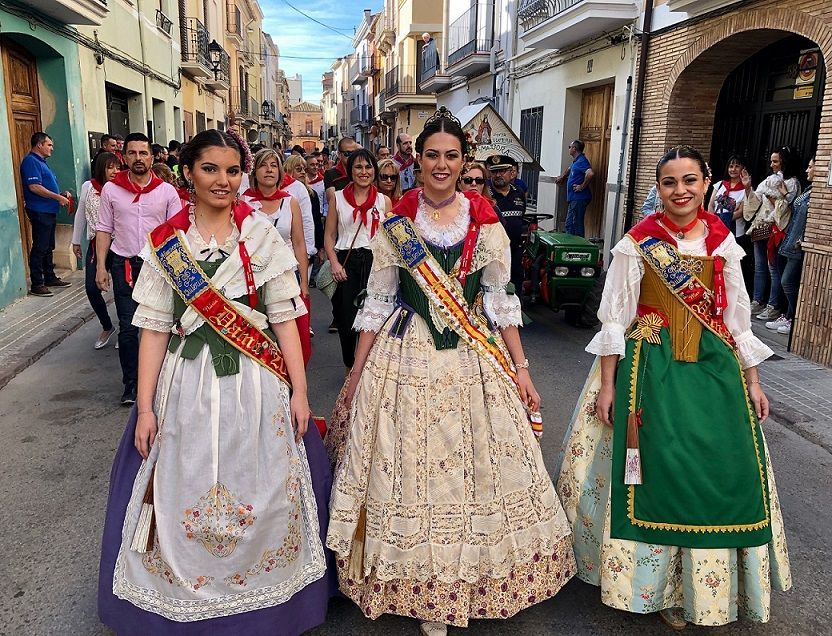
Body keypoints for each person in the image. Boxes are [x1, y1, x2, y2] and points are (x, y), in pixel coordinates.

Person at [325, 108, 576, 636]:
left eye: (452, 156)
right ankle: (421, 585)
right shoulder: (397, 223)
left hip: (471, 354)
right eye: (432, 155)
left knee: (477, 467)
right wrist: (356, 374)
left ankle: (475, 577)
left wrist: (522, 369)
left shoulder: (486, 222)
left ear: (465, 161)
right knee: (407, 466)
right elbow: (379, 299)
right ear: (417, 160)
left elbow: (500, 299)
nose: (442, 165)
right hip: (406, 353)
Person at [97, 129, 333, 635]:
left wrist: (300, 391)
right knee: (184, 486)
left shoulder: (261, 237)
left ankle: (265, 602)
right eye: (210, 169)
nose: (223, 180)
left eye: (232, 170)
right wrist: (145, 408)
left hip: (255, 385)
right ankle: (184, 598)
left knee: (264, 487)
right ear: (188, 173)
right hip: (187, 385)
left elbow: (284, 317)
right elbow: (154, 329)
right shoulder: (167, 244)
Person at [557, 145, 791, 630]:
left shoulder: (723, 242)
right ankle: (655, 586)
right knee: (653, 473)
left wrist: (753, 380)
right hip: (650, 364)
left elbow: (737, 320)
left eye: (689, 180)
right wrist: (607, 386)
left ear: (705, 183)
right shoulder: (637, 242)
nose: (680, 190)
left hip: (714, 370)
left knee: (719, 470)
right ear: (658, 188)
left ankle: (703, 590)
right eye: (669, 182)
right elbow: (616, 317)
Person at [95, 132, 181, 405]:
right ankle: (131, 385)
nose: (138, 158)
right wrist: (100, 267)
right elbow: (103, 229)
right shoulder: (111, 190)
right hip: (124, 265)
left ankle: (161, 382)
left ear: (152, 157)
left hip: (157, 267)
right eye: (132, 153)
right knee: (128, 328)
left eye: (143, 153)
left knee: (161, 326)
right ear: (124, 157)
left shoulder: (166, 192)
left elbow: (176, 233)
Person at [241, 149, 312, 366]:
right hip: (255, 277)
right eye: (263, 165)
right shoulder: (244, 202)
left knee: (291, 336)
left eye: (273, 165)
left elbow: (298, 243)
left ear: (280, 172)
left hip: (287, 275)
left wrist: (304, 283)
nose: (269, 170)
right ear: (255, 172)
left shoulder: (290, 202)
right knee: (261, 334)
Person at [324, 148, 390, 371]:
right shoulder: (338, 198)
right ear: (350, 171)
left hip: (376, 262)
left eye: (368, 167)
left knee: (375, 316)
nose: (364, 172)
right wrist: (334, 263)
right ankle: (349, 365)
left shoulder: (383, 201)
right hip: (347, 262)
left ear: (374, 170)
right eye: (358, 167)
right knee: (347, 318)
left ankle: (369, 367)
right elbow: (329, 235)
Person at [742, 147, 801, 321]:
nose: (772, 164)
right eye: (771, 161)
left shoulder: (792, 183)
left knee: (773, 269)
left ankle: (773, 305)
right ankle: (757, 300)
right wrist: (748, 188)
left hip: (776, 230)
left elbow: (787, 208)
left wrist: (777, 198)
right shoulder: (769, 179)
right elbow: (756, 199)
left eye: (775, 161)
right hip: (761, 226)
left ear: (784, 162)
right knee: (759, 267)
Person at [72, 151, 119, 349]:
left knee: (123, 290)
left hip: (119, 244)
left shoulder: (121, 187)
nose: (115, 171)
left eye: (117, 167)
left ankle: (126, 329)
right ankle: (107, 326)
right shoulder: (88, 187)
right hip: (96, 244)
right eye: (110, 167)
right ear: (101, 168)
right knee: (92, 289)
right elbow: (80, 214)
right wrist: (75, 241)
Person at [20, 132, 73, 297]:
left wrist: (60, 194)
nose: (52, 148)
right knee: (40, 247)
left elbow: (46, 185)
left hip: (49, 210)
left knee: (49, 246)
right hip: (39, 210)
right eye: (49, 145)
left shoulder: (42, 162)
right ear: (39, 145)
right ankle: (37, 284)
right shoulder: (30, 161)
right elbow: (34, 187)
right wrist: (57, 197)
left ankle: (50, 277)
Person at [769, 157, 813, 335]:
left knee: (787, 280)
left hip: (798, 243)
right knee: (787, 279)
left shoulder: (818, 194)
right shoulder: (809, 190)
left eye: (810, 167)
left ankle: (794, 317)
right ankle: (788, 315)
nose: (807, 170)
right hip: (791, 238)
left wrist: (804, 238)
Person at [708, 154, 752, 295]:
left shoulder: (745, 189)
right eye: (731, 166)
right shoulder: (720, 185)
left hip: (735, 231)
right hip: (715, 229)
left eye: (737, 166)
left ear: (743, 169)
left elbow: (741, 211)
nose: (733, 169)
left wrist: (723, 219)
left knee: (732, 264)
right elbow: (711, 204)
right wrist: (713, 222)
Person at [487, 154, 526, 302]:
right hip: (493, 252)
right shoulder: (486, 194)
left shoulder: (519, 193)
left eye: (502, 171)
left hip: (515, 250)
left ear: (512, 172)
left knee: (516, 282)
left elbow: (521, 217)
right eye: (494, 171)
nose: (498, 175)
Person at [555, 139, 594, 237]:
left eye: (570, 147)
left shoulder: (582, 161)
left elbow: (590, 174)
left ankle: (579, 244)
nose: (568, 149)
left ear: (574, 148)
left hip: (579, 198)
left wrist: (581, 186)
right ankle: (570, 243)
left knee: (576, 224)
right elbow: (569, 169)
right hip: (573, 198)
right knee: (569, 225)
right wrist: (562, 177)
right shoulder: (576, 161)